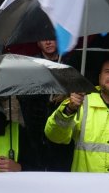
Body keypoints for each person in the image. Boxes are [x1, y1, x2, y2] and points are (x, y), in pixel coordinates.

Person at [45, 58, 109, 173]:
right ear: (100, 77)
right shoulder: (79, 103)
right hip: (87, 183)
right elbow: (54, 136)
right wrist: (69, 110)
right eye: (108, 71)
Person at [18, 39, 73, 172]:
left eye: (51, 38)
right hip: (36, 126)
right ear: (38, 43)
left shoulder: (69, 61)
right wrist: (47, 90)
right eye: (43, 39)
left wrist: (66, 93)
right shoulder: (31, 65)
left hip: (61, 126)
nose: (48, 42)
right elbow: (21, 94)